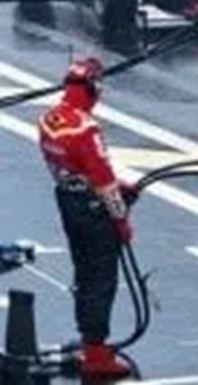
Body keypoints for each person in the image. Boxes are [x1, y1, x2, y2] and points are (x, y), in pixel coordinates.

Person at [38, 58, 136, 379]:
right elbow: (103, 178)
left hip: (66, 201)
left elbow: (72, 168)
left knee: (83, 270)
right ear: (91, 89)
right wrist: (121, 219)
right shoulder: (86, 128)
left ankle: (86, 339)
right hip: (92, 209)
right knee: (101, 277)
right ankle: (95, 352)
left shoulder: (48, 119)